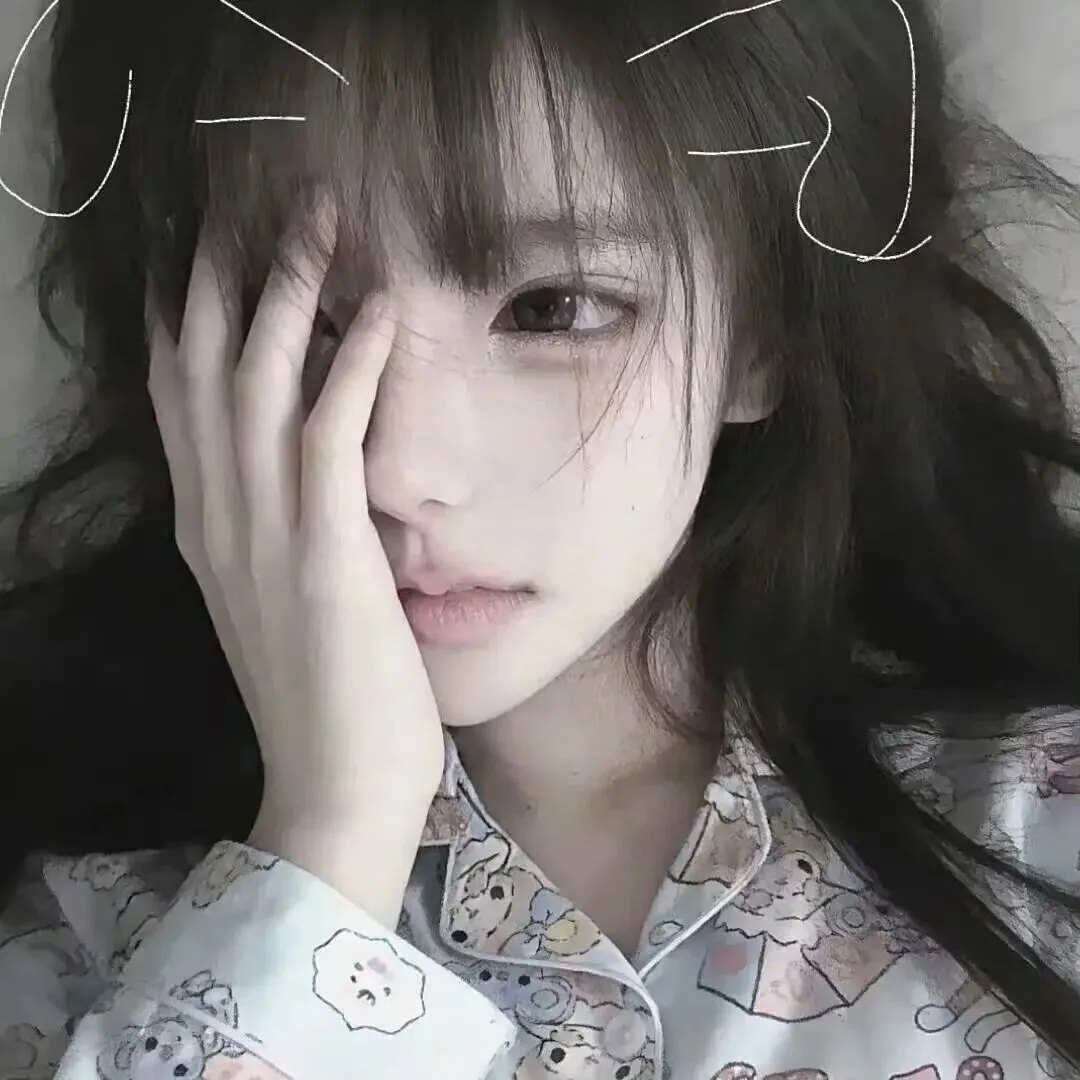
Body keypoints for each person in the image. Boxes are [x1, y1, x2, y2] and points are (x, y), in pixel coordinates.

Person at [0, 0, 1078, 1077]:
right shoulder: (82, 947)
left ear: (763, 337)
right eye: (297, 321)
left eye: (552, 310)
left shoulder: (1041, 836)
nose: (396, 470)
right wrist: (330, 841)